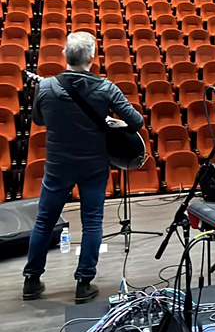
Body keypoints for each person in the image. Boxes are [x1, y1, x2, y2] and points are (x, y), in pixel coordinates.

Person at [23, 32, 144, 303]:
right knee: (92, 222)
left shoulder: (47, 87)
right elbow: (136, 121)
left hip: (58, 165)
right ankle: (83, 283)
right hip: (93, 166)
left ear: (65, 55)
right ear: (91, 57)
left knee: (44, 221)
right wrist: (112, 123)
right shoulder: (106, 88)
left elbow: (39, 120)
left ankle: (31, 280)